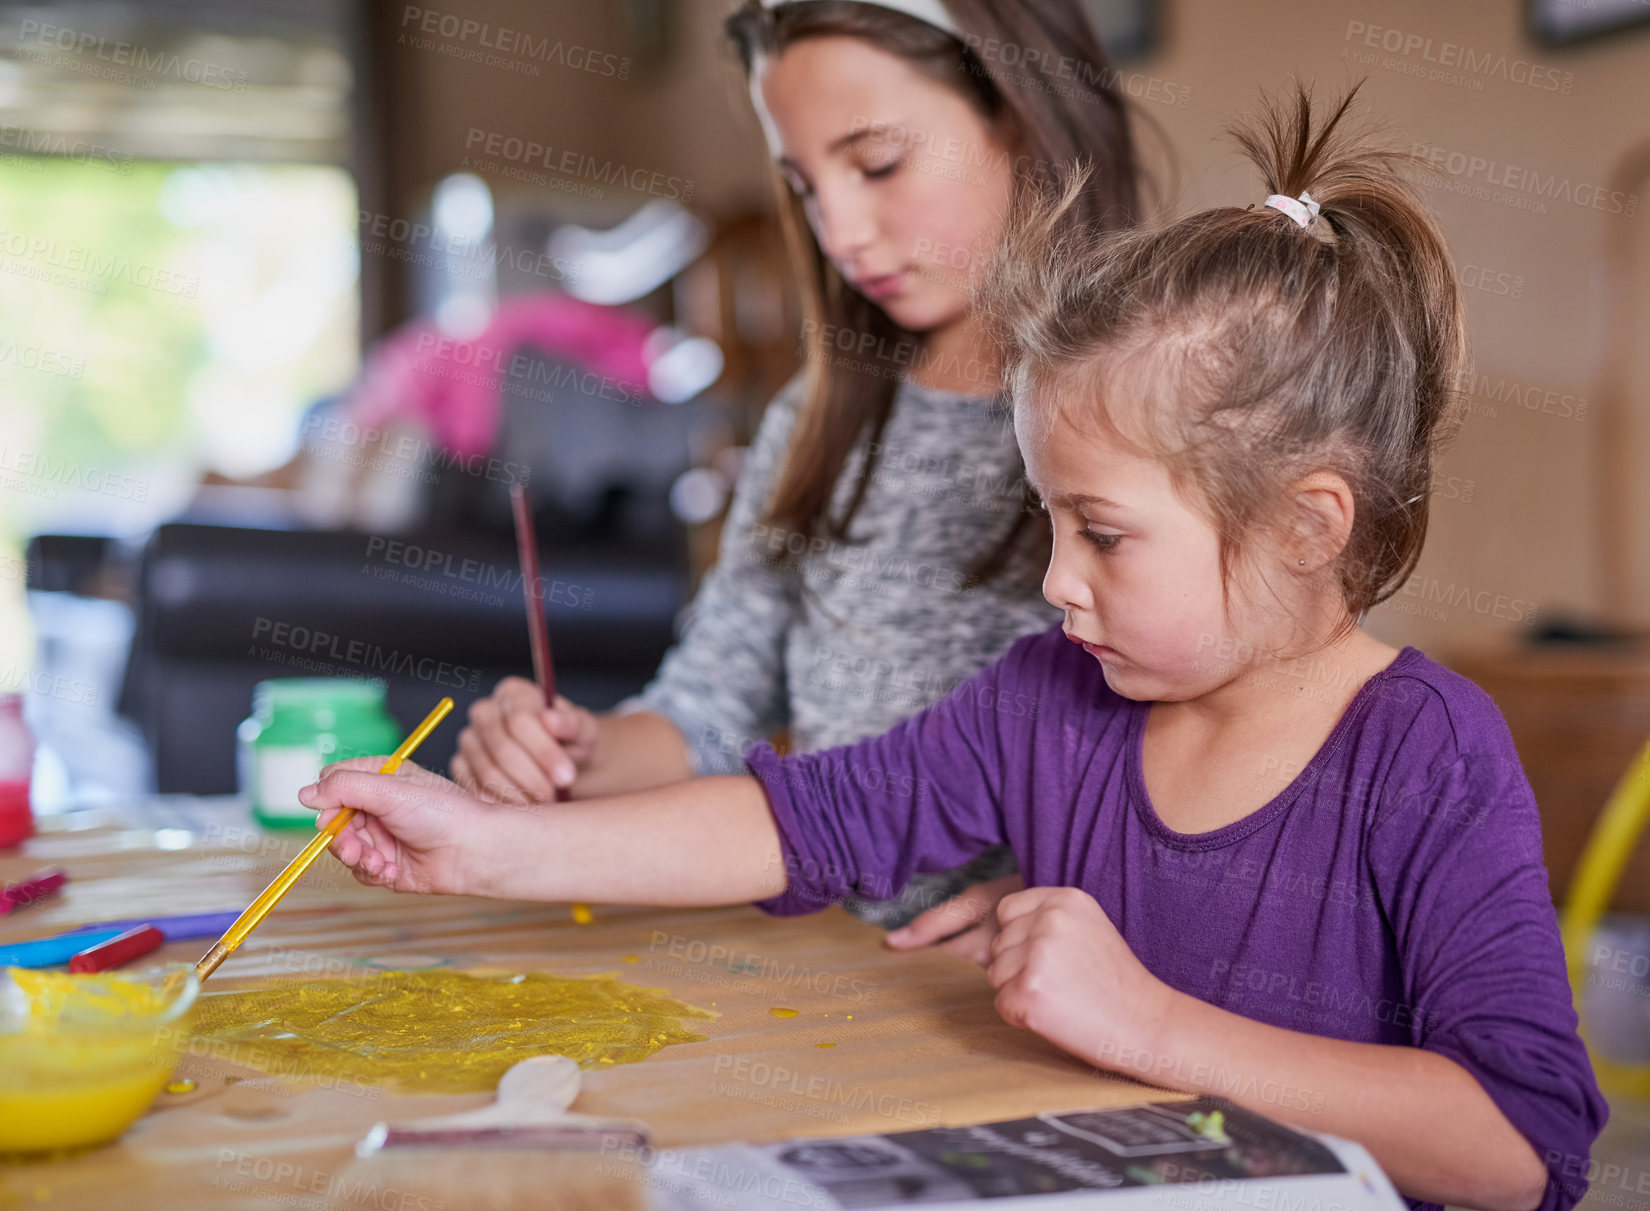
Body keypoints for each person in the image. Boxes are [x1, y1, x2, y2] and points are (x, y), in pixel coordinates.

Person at [302, 84, 1605, 1210]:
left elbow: (1520, 1146)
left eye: (1102, 532)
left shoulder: (1426, 752)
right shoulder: (1049, 696)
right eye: (1050, 521)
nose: (1054, 580)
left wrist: (1149, 1022)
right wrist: (489, 841)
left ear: (1305, 524)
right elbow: (800, 820)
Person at [450, 0, 1143, 940]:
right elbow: (713, 703)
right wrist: (574, 751)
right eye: (807, 187)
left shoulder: (1149, 414)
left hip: (1054, 988)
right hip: (847, 971)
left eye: (878, 164)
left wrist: (1096, 896)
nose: (840, 233)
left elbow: (1232, 740)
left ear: (1022, 114)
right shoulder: (814, 423)